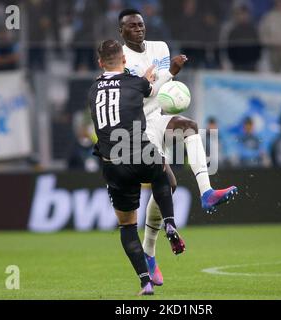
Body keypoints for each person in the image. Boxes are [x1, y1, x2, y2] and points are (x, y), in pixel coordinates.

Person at [118, 8, 238, 287]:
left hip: (159, 117)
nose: (138, 29)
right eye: (131, 26)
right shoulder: (120, 59)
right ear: (121, 31)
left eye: (141, 24)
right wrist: (170, 72)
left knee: (190, 126)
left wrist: (168, 81)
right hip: (137, 128)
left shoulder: (160, 47)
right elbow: (138, 92)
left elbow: (160, 90)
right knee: (167, 184)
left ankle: (206, 192)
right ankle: (149, 252)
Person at [89, 40, 185, 296]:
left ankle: (145, 282)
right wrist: (165, 73)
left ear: (100, 63)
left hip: (114, 163)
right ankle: (170, 222)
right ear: (123, 60)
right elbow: (155, 91)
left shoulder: (93, 89)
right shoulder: (135, 83)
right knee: (162, 175)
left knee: (128, 226)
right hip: (142, 151)